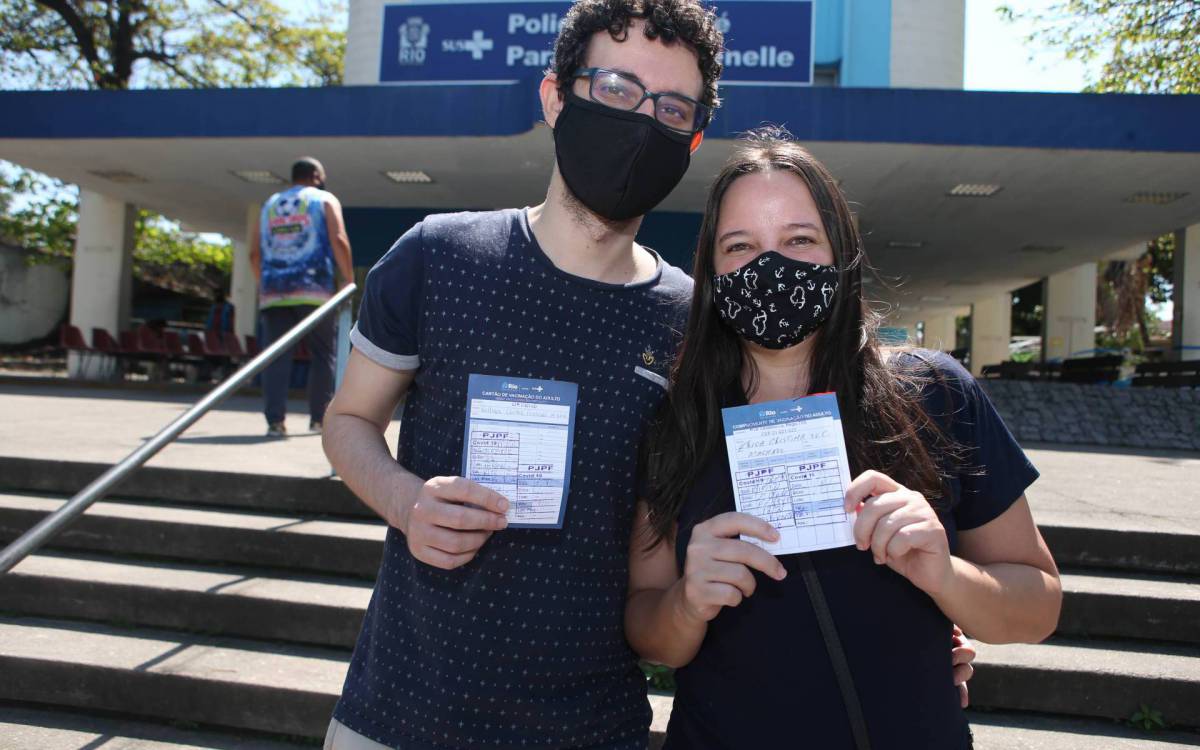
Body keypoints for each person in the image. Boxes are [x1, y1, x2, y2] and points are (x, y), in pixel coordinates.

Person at [321, 3, 974, 747]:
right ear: (555, 96)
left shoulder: (699, 323)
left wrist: (911, 634)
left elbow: (783, 478)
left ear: (693, 139)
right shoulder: (437, 257)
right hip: (401, 716)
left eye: (671, 108)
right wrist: (406, 502)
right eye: (617, 89)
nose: (641, 122)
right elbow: (347, 422)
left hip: (594, 728)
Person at [625, 129, 1062, 749]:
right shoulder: (677, 422)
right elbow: (646, 627)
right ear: (711, 271)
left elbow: (1039, 606)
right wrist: (687, 602)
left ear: (841, 253)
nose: (769, 267)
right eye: (740, 246)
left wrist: (947, 576)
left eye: (799, 240)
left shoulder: (934, 394)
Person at [250, 156, 354, 438]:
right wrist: (348, 279)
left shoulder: (269, 205)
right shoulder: (324, 200)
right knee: (323, 356)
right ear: (316, 176)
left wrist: (266, 285)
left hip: (275, 292)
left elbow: (254, 253)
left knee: (276, 357)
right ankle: (319, 419)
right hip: (314, 292)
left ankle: (275, 421)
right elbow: (339, 239)